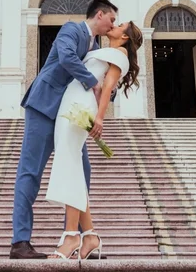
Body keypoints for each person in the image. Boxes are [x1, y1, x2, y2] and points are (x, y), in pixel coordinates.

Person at [10, 0, 119, 260]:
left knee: (82, 172)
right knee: (30, 173)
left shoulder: (96, 47)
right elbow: (68, 57)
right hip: (44, 107)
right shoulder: (71, 29)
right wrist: (93, 83)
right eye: (112, 19)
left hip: (69, 117)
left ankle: (79, 240)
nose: (113, 24)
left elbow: (98, 81)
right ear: (100, 14)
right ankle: (20, 242)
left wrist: (108, 92)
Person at [45, 20, 143, 261]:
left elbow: (108, 87)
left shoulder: (119, 54)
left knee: (69, 164)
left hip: (80, 108)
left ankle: (71, 236)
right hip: (71, 103)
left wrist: (99, 118)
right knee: (73, 166)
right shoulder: (105, 49)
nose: (114, 25)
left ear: (125, 37)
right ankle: (89, 236)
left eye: (119, 25)